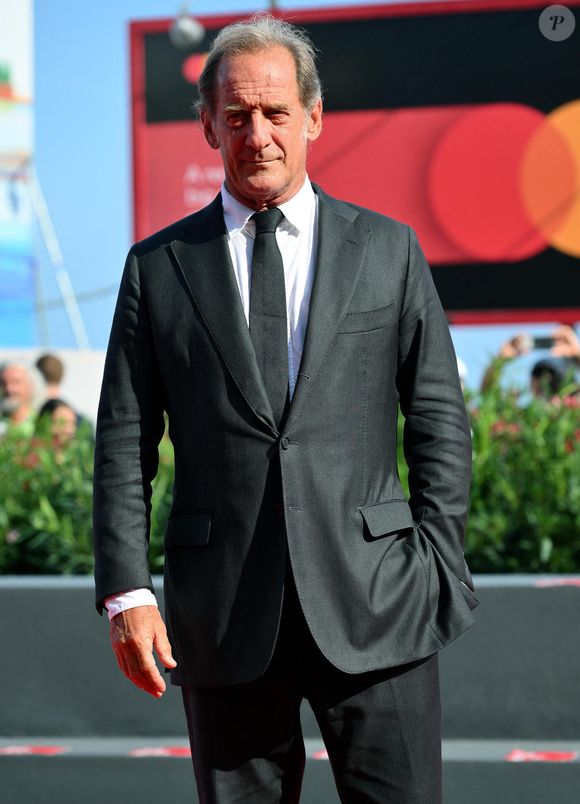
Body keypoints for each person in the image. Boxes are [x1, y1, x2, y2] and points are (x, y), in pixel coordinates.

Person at [93, 16, 476, 804]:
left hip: (382, 608)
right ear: (207, 123)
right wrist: (128, 593)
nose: (257, 134)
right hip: (223, 617)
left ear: (313, 116)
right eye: (236, 116)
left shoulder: (390, 250)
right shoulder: (157, 268)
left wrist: (438, 561)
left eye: (274, 113)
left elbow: (438, 419)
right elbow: (124, 440)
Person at [481, 324, 580, 399]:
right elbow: (488, 398)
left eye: (555, 379)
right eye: (539, 375)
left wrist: (577, 353)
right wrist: (500, 360)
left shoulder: (575, 417)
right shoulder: (524, 420)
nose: (546, 382)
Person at [0, 362, 37, 438]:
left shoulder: (39, 423)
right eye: (3, 383)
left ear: (30, 386)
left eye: (16, 382)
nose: (9, 389)